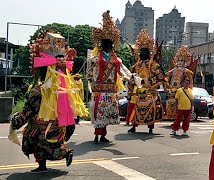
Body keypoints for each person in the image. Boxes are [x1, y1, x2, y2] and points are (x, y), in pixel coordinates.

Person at [9, 31, 88, 173]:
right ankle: (58, 156)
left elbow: (29, 110)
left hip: (42, 126)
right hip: (59, 125)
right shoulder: (63, 88)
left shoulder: (40, 90)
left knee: (32, 138)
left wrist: (17, 120)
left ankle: (52, 160)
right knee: (51, 143)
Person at [87, 10, 131, 143]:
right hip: (99, 90)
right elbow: (89, 74)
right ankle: (96, 134)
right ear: (101, 44)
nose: (108, 46)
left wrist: (132, 77)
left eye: (110, 43)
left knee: (106, 114)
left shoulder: (117, 60)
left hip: (111, 90)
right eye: (105, 43)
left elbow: (124, 71)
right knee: (99, 112)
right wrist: (90, 85)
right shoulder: (94, 59)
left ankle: (103, 134)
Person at [127, 29, 166, 134]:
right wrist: (130, 90)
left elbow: (162, 77)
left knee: (152, 108)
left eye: (145, 51)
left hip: (150, 91)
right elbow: (132, 77)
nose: (143, 53)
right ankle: (134, 126)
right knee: (136, 109)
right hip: (139, 91)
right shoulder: (136, 65)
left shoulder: (153, 64)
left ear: (149, 52)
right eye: (142, 51)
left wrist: (155, 86)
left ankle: (150, 127)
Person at [165, 46, 197, 120]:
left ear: (185, 62)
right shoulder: (172, 71)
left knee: (179, 109)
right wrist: (167, 88)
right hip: (172, 92)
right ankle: (175, 121)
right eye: (178, 60)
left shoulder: (187, 72)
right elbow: (166, 79)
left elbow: (190, 83)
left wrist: (187, 91)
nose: (179, 62)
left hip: (181, 93)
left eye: (182, 61)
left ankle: (178, 122)